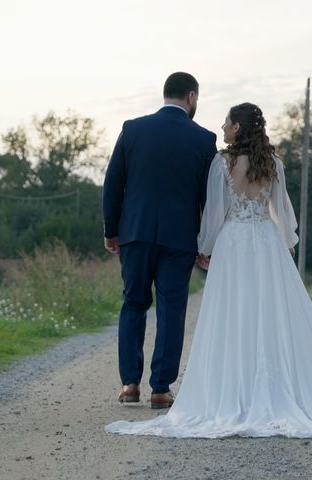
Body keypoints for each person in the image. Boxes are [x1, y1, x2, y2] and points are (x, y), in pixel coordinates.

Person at [105, 103, 312, 438]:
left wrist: (205, 247)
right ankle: (266, 385)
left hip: (232, 244)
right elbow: (282, 213)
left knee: (232, 315)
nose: (223, 127)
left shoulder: (221, 163)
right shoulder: (274, 164)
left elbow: (215, 212)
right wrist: (284, 244)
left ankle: (215, 389)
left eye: (227, 122)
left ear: (238, 128)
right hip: (267, 244)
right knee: (268, 316)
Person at [101, 72, 217, 409]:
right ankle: (161, 389)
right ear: (191, 98)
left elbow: (113, 183)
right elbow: (206, 198)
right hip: (180, 239)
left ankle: (129, 384)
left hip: (135, 233)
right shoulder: (203, 139)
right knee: (171, 310)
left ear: (165, 94)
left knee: (133, 303)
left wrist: (112, 230)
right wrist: (204, 242)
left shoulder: (133, 129)